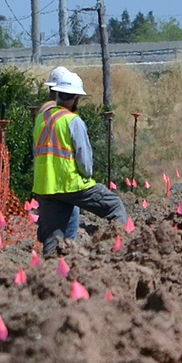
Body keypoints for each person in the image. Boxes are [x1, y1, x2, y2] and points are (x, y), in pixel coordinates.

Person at [32, 68, 128, 256]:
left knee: (53, 238)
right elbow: (84, 159)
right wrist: (87, 177)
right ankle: (117, 253)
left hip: (45, 187)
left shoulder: (42, 119)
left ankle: (51, 273)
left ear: (57, 93)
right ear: (76, 99)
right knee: (114, 205)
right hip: (71, 183)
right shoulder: (72, 120)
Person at [39, 66, 80, 241]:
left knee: (52, 226)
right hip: (61, 180)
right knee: (67, 227)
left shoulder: (45, 112)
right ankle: (64, 262)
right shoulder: (56, 113)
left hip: (46, 180)